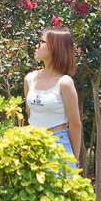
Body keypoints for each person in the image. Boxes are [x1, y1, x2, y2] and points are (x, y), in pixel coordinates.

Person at [24, 26, 82, 174]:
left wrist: (75, 159)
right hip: (32, 144)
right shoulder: (30, 79)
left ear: (54, 48)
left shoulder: (64, 82)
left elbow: (75, 124)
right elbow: (30, 114)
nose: (36, 46)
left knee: (58, 196)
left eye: (41, 42)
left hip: (58, 144)